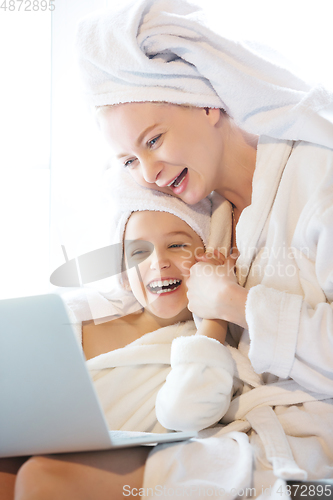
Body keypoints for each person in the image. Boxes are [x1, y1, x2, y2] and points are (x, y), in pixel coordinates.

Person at [7, 0, 333, 497]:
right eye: (129, 161)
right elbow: (138, 282)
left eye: (154, 139)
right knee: (11, 469)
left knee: (45, 482)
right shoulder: (216, 216)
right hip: (229, 433)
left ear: (207, 103)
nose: (148, 171)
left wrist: (234, 305)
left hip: (308, 453)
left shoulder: (317, 184)